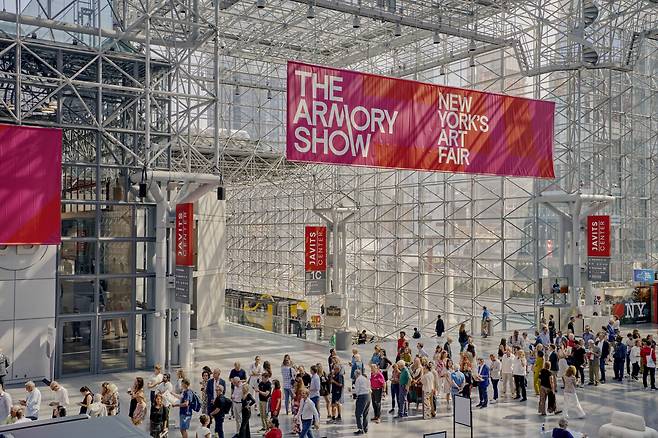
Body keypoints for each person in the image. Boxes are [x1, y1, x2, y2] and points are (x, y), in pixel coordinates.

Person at [353, 369, 371, 434]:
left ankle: (360, 429)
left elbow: (357, 391)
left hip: (362, 397)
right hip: (368, 396)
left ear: (356, 374)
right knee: (365, 413)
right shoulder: (365, 378)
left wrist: (352, 391)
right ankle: (365, 428)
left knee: (358, 413)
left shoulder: (357, 380)